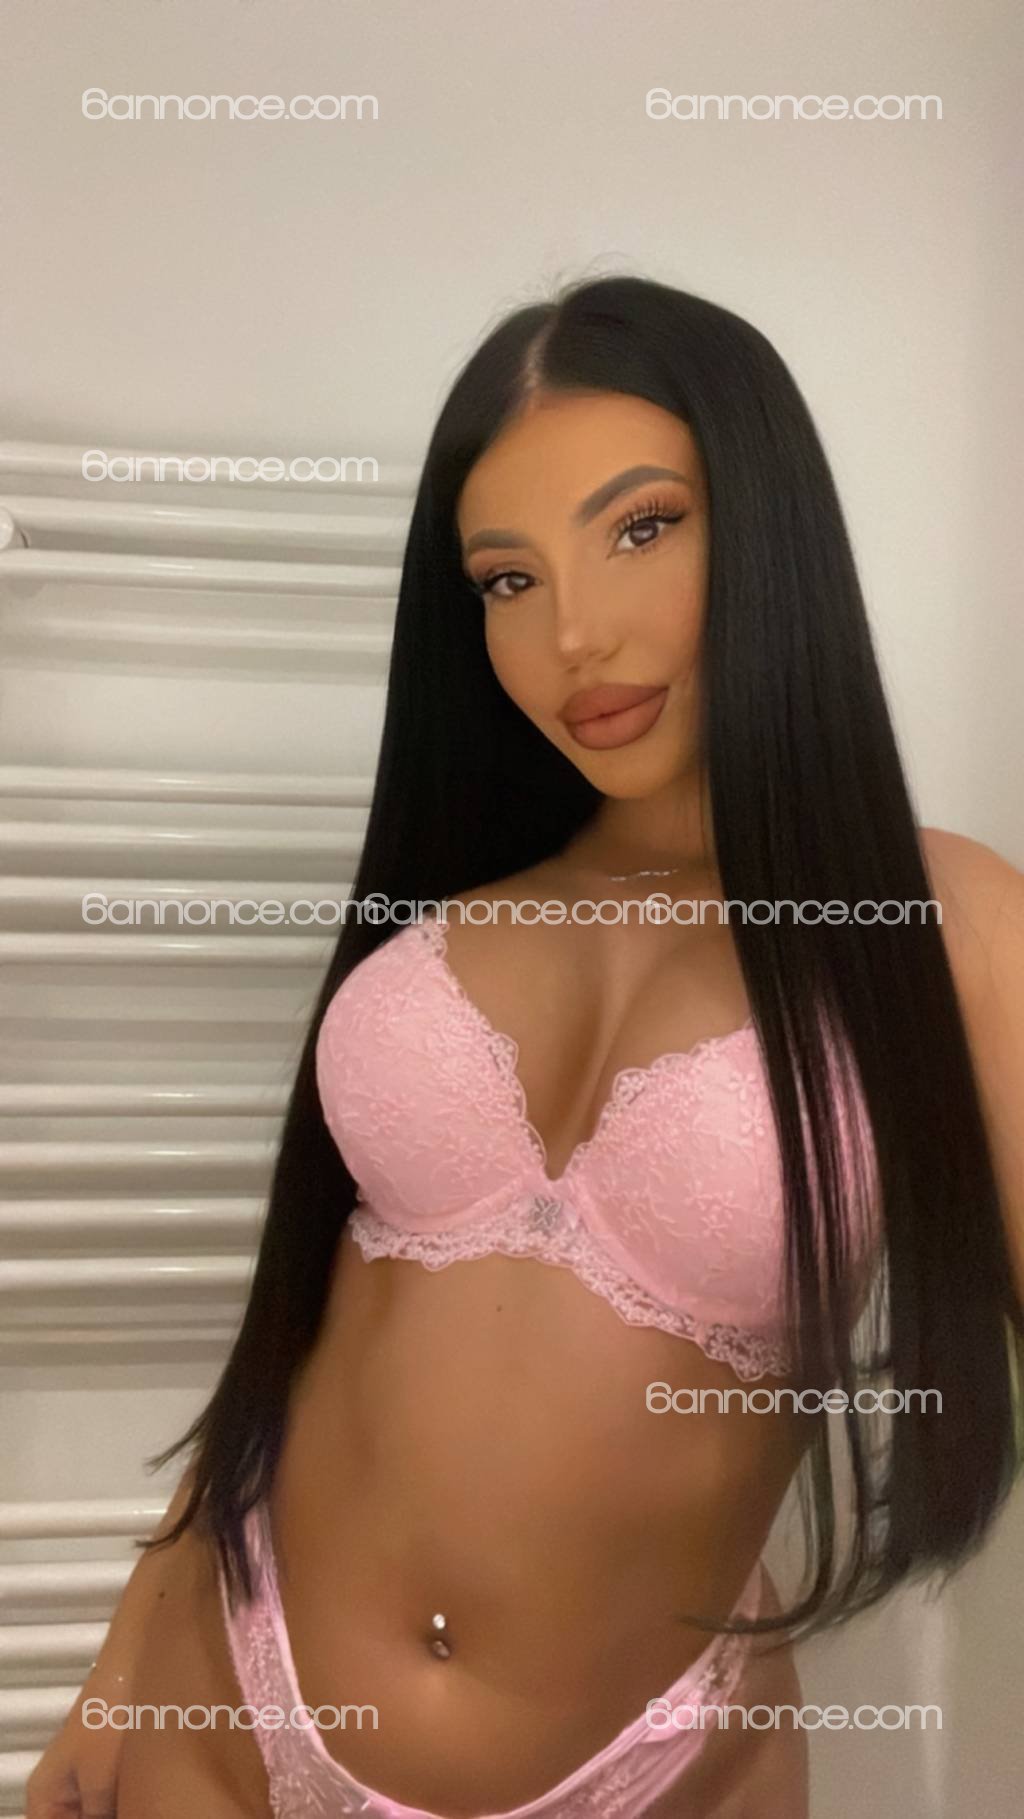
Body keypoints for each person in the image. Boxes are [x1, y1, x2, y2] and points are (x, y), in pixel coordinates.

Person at [26, 274, 1024, 1819]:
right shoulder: (451, 918)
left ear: (769, 527)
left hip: (656, 1767)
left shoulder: (942, 928)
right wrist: (119, 1666)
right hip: (225, 1689)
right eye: (506, 577)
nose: (572, 635)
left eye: (642, 528)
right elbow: (304, 1322)